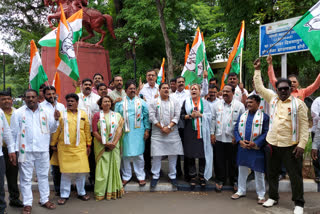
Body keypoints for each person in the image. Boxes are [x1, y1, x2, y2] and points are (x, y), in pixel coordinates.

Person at [254, 58, 308, 214]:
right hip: (272, 144)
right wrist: (257, 70)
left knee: (295, 176)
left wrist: (302, 145)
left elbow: (304, 126)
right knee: (272, 173)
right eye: (280, 89)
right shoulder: (273, 100)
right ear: (277, 90)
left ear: (290, 89)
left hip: (291, 146)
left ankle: (299, 203)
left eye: (286, 89)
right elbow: (260, 87)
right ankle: (273, 197)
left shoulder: (299, 104)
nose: (283, 91)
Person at [11, 89, 60, 214]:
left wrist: (56, 120)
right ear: (24, 99)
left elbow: (53, 129)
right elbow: (13, 133)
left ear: (38, 98)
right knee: (25, 178)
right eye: (28, 97)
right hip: (25, 150)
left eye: (33, 97)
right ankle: (27, 203)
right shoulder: (18, 113)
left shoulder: (47, 111)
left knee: (43, 176)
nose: (31, 99)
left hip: (42, 148)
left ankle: (44, 200)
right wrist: (14, 151)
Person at [50, 93, 91, 205]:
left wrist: (89, 144)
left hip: (80, 147)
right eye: (68, 101)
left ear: (77, 103)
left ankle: (81, 192)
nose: (70, 103)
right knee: (65, 173)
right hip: (65, 148)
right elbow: (57, 130)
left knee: (81, 172)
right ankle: (64, 195)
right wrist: (53, 143)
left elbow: (87, 130)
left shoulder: (83, 114)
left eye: (72, 101)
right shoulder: (62, 115)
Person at [231, 95, 269, 204]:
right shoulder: (242, 115)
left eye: (251, 102)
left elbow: (266, 132)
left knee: (259, 171)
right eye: (247, 102)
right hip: (243, 147)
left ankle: (261, 195)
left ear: (258, 103)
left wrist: (255, 143)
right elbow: (236, 130)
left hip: (256, 149)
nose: (248, 104)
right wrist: (239, 141)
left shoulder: (264, 117)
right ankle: (241, 190)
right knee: (241, 170)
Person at [171, 74, 208, 180]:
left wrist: (204, 79)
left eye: (183, 81)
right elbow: (180, 114)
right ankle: (180, 173)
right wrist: (190, 116)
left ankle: (194, 175)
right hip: (179, 126)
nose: (181, 83)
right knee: (182, 151)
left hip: (196, 129)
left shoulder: (189, 94)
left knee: (196, 152)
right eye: (179, 82)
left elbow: (204, 91)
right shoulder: (173, 96)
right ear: (175, 84)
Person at [211, 84, 245, 192]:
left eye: (228, 91)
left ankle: (234, 180)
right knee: (219, 160)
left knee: (233, 160)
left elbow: (242, 123)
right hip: (219, 137)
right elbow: (212, 120)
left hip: (233, 139)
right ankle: (220, 180)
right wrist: (212, 134)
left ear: (233, 93)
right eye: (224, 91)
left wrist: (238, 136)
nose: (225, 93)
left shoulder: (239, 106)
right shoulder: (216, 105)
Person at [115, 80, 150, 186]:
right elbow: (116, 118)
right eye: (130, 88)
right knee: (125, 155)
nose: (132, 90)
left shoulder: (142, 102)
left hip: (138, 132)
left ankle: (140, 176)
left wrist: (147, 130)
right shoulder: (120, 103)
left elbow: (146, 118)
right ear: (125, 90)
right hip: (124, 133)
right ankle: (126, 176)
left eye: (134, 88)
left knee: (138, 155)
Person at [149, 83, 183, 190]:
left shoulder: (175, 101)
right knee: (156, 155)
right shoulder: (153, 102)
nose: (166, 89)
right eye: (164, 88)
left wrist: (168, 127)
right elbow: (151, 117)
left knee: (173, 155)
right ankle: (155, 176)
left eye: (167, 88)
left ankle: (172, 175)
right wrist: (162, 128)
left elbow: (177, 116)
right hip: (158, 132)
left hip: (172, 132)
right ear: (159, 90)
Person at [180, 83, 213, 187]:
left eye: (196, 89)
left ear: (200, 91)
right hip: (190, 131)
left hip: (203, 131)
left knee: (202, 154)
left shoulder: (205, 103)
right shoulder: (186, 102)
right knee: (190, 154)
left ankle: (202, 176)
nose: (193, 90)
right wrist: (190, 116)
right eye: (192, 89)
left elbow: (210, 116)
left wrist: (200, 115)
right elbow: (181, 116)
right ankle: (193, 176)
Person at [92, 96, 124, 200]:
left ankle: (114, 191)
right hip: (101, 146)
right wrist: (105, 143)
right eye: (104, 101)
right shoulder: (97, 116)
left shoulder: (117, 115)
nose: (107, 103)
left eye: (109, 101)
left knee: (114, 167)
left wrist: (114, 143)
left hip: (114, 146)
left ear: (111, 103)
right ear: (100, 104)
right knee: (102, 169)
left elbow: (119, 130)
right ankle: (101, 192)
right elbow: (95, 131)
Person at [40, 86, 66, 197]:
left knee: (57, 166)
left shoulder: (61, 106)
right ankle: (44, 194)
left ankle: (58, 189)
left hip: (58, 141)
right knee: (44, 167)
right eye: (48, 94)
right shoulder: (40, 107)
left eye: (53, 94)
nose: (51, 96)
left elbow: (64, 124)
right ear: (44, 95)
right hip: (45, 141)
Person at [0, 91, 23, 208]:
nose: (6, 101)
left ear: (12, 100)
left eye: (8, 99)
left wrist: (13, 149)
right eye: (3, 99)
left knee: (13, 175)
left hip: (13, 149)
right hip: (1, 149)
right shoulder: (0, 114)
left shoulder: (17, 113)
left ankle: (14, 198)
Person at [77, 78, 100, 186]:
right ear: (81, 85)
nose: (87, 86)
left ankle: (93, 178)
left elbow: (99, 115)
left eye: (89, 85)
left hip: (93, 132)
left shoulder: (97, 98)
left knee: (92, 156)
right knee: (81, 156)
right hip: (79, 133)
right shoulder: (76, 97)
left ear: (92, 86)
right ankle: (80, 181)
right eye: (85, 84)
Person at [0, 105, 16, 214]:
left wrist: (11, 149)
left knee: (0, 185)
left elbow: (6, 131)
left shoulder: (0, 112)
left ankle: (1, 209)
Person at [311, 96, 320, 183]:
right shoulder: (317, 101)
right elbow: (315, 116)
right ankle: (318, 175)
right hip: (317, 130)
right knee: (316, 154)